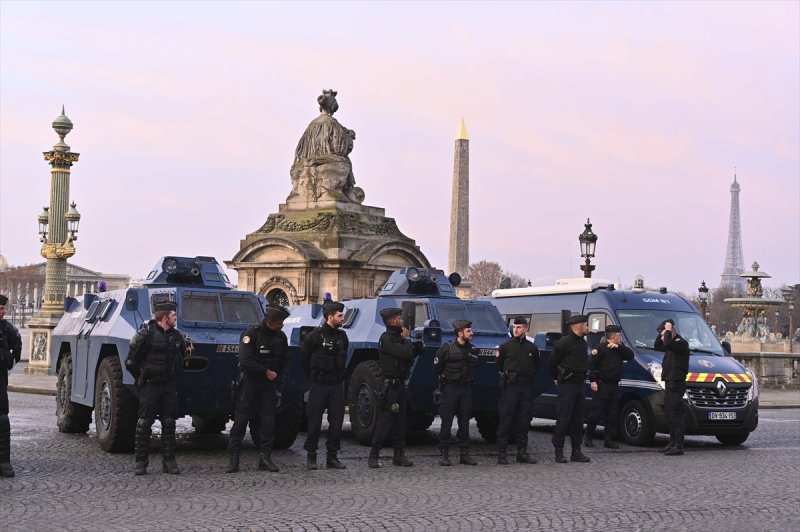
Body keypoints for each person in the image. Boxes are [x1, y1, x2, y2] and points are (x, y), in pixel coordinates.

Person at [125, 301, 188, 476]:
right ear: (165, 317)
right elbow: (130, 361)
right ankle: (141, 462)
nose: (176, 318)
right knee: (144, 423)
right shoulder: (145, 335)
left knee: (169, 422)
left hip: (168, 385)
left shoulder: (177, 336)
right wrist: (141, 377)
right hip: (151, 384)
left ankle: (169, 461)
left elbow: (183, 358)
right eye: (174, 316)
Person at [226, 304, 291, 473]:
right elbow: (245, 359)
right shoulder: (251, 334)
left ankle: (265, 457)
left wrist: (279, 382)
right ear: (269, 322)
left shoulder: (281, 337)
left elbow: (285, 361)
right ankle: (234, 458)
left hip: (269, 387)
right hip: (250, 384)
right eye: (279, 323)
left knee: (268, 422)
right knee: (241, 421)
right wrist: (265, 371)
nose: (281, 326)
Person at [368, 308, 425, 468]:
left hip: (400, 385)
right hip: (390, 386)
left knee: (401, 422)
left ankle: (399, 455)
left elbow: (409, 355)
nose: (402, 320)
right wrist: (407, 340)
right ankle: (374, 455)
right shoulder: (387, 339)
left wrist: (418, 348)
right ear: (392, 321)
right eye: (399, 317)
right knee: (385, 421)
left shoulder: (398, 338)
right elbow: (404, 354)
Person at [300, 301, 349, 470]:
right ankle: (311, 456)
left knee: (336, 423)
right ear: (330, 317)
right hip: (319, 384)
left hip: (336, 384)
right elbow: (304, 359)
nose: (343, 318)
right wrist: (313, 377)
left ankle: (332, 457)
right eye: (339, 315)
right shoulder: (314, 337)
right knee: (314, 422)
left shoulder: (342, 336)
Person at [433, 320, 479, 466]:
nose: (472, 333)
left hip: (465, 390)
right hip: (450, 390)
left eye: (471, 331)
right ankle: (444, 454)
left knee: (464, 423)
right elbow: (436, 368)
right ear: (460, 333)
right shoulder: (446, 348)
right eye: (468, 331)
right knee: (446, 423)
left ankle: (464, 454)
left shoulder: (472, 349)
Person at [496, 316, 540, 465]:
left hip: (525, 387)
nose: (516, 330)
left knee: (524, 420)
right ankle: (502, 453)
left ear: (526, 329)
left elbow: (536, 367)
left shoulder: (532, 348)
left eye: (519, 327)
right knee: (506, 419)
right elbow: (499, 365)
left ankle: (522, 452)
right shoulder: (506, 346)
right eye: (515, 327)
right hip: (510, 387)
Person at [548, 314, 591, 464]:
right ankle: (559, 452)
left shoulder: (583, 343)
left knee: (578, 420)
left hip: (579, 385)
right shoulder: (563, 343)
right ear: (579, 326)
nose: (588, 327)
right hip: (567, 385)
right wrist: (557, 378)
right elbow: (552, 363)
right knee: (563, 419)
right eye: (586, 325)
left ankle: (576, 452)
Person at [584, 324, 634, 449]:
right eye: (618, 336)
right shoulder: (600, 348)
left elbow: (630, 355)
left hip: (614, 385)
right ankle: (588, 436)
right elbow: (591, 366)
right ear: (612, 337)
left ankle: (608, 439)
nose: (620, 338)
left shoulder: (619, 349)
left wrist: (618, 347)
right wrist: (593, 381)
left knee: (612, 414)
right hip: (602, 385)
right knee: (596, 412)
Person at [654, 319, 690, 456]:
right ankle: (672, 442)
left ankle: (678, 445)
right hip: (669, 382)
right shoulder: (670, 343)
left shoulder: (681, 343)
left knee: (675, 414)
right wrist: (662, 333)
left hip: (677, 382)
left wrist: (668, 331)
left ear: (672, 333)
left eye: (665, 335)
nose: (663, 338)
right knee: (669, 413)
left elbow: (667, 342)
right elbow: (658, 346)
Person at [0, 294, 22, 478]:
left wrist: (9, 364)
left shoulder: (8, 329)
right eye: (0, 308)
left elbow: (18, 348)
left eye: (3, 308)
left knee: (2, 420)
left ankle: (4, 462)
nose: (3, 311)